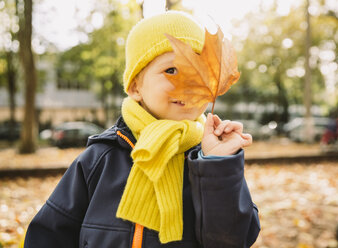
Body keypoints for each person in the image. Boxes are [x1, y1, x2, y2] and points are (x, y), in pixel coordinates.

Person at [23, 11, 260, 248]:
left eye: (200, 74)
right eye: (172, 70)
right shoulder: (99, 159)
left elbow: (233, 241)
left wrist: (218, 165)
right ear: (136, 87)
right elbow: (49, 234)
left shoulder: (209, 159)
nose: (190, 84)